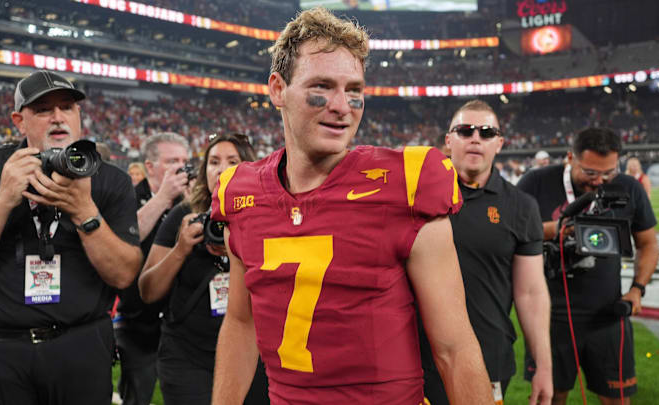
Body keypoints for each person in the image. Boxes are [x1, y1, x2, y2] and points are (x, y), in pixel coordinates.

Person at [210, 8, 492, 405]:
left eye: (354, 89)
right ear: (277, 89)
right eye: (322, 86)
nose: (343, 106)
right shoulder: (240, 192)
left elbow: (455, 347)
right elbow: (240, 323)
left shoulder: (408, 183)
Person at [0, 69, 142, 404]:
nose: (57, 117)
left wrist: (84, 212)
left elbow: (124, 273)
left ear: (80, 116)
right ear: (19, 121)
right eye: (43, 110)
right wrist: (5, 198)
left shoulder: (111, 181)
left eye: (67, 107)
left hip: (80, 346)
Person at [419, 100, 553, 405]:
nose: (476, 138)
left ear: (500, 143)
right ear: (448, 141)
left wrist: (542, 365)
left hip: (486, 357)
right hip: (415, 358)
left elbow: (531, 292)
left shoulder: (521, 206)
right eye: (465, 131)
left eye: (487, 132)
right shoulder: (416, 195)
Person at [517, 128, 659, 405]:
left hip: (608, 313)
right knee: (550, 397)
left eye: (608, 173)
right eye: (591, 173)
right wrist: (561, 229)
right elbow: (509, 233)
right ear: (571, 157)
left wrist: (637, 289)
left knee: (616, 398)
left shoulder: (628, 187)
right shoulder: (535, 182)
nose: (599, 181)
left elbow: (648, 244)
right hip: (549, 314)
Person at [138, 133, 269, 405]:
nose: (221, 169)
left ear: (249, 166)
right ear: (204, 170)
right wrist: (181, 248)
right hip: (188, 356)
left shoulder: (267, 216)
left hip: (252, 354)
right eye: (213, 162)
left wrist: (241, 249)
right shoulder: (183, 215)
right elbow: (147, 291)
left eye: (233, 161)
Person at [116, 132, 191, 405]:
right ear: (150, 167)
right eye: (173, 161)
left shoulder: (190, 201)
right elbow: (123, 236)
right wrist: (163, 197)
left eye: (185, 160)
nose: (181, 167)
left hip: (181, 323)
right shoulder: (126, 195)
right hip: (139, 323)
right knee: (138, 396)